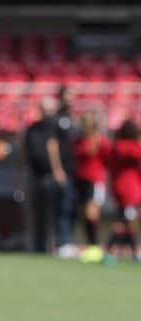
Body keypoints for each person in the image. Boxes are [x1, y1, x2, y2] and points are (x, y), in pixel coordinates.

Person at [45, 85, 79, 258]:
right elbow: (52, 145)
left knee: (72, 206)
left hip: (75, 171)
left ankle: (69, 241)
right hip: (63, 170)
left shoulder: (73, 118)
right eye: (68, 95)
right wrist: (57, 169)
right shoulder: (57, 119)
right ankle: (62, 242)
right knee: (63, 207)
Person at [24, 96, 58, 253]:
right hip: (36, 177)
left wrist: (57, 171)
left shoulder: (56, 128)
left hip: (52, 177)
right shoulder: (33, 129)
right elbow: (27, 153)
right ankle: (38, 248)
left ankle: (55, 247)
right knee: (37, 216)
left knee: (55, 214)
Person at [73, 110, 110, 252]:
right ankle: (90, 245)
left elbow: (107, 159)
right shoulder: (78, 141)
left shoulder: (100, 141)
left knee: (92, 213)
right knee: (84, 214)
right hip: (81, 180)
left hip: (95, 181)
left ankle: (96, 245)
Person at [105, 119, 141, 262]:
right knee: (126, 220)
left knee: (129, 220)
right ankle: (109, 250)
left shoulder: (116, 146)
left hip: (120, 187)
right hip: (130, 189)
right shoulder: (129, 147)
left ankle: (133, 252)